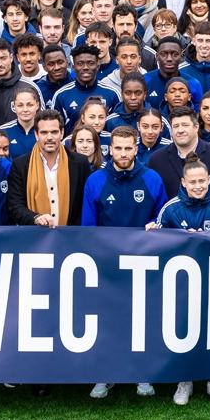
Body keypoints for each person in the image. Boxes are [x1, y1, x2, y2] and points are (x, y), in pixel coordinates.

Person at [80, 125, 166, 399]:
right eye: (118, 148)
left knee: (142, 320)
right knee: (108, 320)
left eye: (128, 148)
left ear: (136, 148)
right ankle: (106, 374)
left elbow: (162, 221)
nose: (123, 153)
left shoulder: (152, 178)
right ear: (110, 149)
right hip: (108, 263)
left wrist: (156, 229)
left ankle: (142, 373)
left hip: (144, 263)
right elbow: (88, 227)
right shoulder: (96, 180)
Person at [154, 154, 210, 407]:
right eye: (193, 182)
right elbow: (157, 243)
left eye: (202, 181)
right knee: (182, 330)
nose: (198, 186)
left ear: (209, 179)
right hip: (181, 284)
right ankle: (184, 380)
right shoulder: (171, 209)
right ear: (183, 182)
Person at [6, 110, 92, 227]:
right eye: (44, 132)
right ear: (36, 135)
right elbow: (14, 205)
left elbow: (85, 205)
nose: (49, 137)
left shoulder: (80, 163)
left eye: (54, 132)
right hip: (34, 234)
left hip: (70, 234)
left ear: (62, 133)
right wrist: (35, 218)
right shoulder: (20, 165)